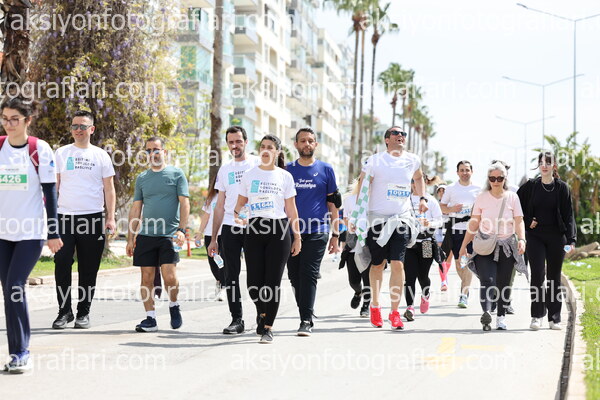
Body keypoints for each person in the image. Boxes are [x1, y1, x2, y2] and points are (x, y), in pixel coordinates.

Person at [0, 97, 63, 373]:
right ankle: (16, 351)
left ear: (27, 120)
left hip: (30, 232)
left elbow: (50, 192)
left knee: (15, 285)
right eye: (5, 118)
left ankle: (21, 352)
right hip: (2, 233)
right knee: (8, 290)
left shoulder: (39, 149)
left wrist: (53, 232)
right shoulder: (0, 147)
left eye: (15, 119)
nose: (9, 123)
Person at [354, 126, 427, 330]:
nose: (400, 136)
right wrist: (358, 214)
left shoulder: (412, 160)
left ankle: (395, 313)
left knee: (398, 264)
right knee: (378, 264)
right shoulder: (374, 161)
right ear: (387, 140)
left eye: (403, 134)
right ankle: (375, 306)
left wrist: (422, 197)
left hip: (401, 219)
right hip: (377, 220)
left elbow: (419, 177)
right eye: (395, 133)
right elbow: (363, 186)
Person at [233, 135, 302, 343]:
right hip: (254, 229)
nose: (265, 150)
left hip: (278, 230)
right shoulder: (249, 175)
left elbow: (291, 209)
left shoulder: (285, 177)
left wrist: (297, 237)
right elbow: (239, 205)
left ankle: (268, 327)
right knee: (253, 283)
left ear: (277, 152)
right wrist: (239, 215)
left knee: (273, 281)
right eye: (262, 146)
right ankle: (262, 312)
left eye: (270, 147)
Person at [51, 110, 116, 330]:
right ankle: (64, 311)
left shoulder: (101, 155)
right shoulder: (61, 153)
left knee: (89, 268)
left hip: (92, 218)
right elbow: (54, 187)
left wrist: (110, 217)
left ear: (92, 129)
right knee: (61, 263)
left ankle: (83, 312)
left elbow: (109, 189)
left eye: (82, 126)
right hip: (64, 217)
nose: (78, 130)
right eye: (74, 126)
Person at [126, 137, 190, 332]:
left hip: (169, 235)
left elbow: (184, 203)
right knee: (146, 278)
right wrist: (130, 237)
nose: (152, 153)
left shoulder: (176, 174)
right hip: (146, 235)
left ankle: (174, 305)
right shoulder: (142, 178)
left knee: (169, 276)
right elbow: (136, 208)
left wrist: (181, 230)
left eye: (156, 149)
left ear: (164, 152)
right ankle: (150, 318)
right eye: (148, 150)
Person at [459, 162, 526, 331]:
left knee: (503, 283)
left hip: (507, 245)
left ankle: (501, 317)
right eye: (492, 178)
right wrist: (464, 245)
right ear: (488, 179)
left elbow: (519, 221)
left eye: (499, 178)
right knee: (487, 280)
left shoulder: (513, 197)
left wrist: (522, 239)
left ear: (505, 179)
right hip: (485, 244)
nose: (496, 181)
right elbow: (474, 223)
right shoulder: (481, 197)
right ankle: (487, 313)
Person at [286, 127, 340, 336]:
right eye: (302, 141)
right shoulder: (287, 170)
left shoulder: (326, 169)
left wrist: (336, 235)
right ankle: (306, 309)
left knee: (308, 273)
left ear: (316, 144)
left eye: (310, 141)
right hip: (291, 231)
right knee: (294, 276)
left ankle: (305, 320)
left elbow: (333, 204)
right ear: (296, 144)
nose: (306, 144)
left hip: (318, 229)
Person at [207, 126, 259, 334]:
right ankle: (237, 319)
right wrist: (213, 238)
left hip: (255, 225)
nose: (234, 145)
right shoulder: (225, 169)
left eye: (238, 141)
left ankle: (262, 314)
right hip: (230, 226)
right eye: (231, 142)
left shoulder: (257, 164)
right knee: (231, 275)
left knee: (256, 274)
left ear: (246, 142)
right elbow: (219, 205)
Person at [517, 152, 576, 331]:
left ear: (554, 166)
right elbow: (516, 207)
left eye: (548, 162)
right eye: (541, 162)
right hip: (535, 236)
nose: (544, 165)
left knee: (553, 278)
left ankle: (554, 318)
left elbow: (569, 215)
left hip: (557, 237)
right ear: (538, 165)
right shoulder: (530, 186)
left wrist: (571, 240)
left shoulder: (562, 188)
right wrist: (528, 221)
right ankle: (536, 316)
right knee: (537, 275)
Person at [440, 161, 481, 308]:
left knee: (467, 261)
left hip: (472, 230)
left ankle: (464, 294)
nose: (465, 173)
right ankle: (465, 287)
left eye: (467, 170)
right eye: (462, 170)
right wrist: (452, 209)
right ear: (457, 172)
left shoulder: (479, 189)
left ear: (472, 172)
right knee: (459, 263)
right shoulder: (451, 188)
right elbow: (442, 207)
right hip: (455, 229)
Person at [403, 178, 443, 321]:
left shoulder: (431, 200)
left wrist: (429, 223)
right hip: (409, 244)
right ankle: (410, 307)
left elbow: (440, 220)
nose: (415, 185)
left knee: (423, 276)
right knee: (409, 277)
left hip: (426, 243)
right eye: (412, 181)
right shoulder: (405, 199)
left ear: (424, 183)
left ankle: (425, 295)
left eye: (418, 181)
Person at [339, 179, 370, 318]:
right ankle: (358, 292)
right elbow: (346, 218)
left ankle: (366, 306)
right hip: (353, 241)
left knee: (368, 277)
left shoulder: (375, 200)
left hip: (369, 242)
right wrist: (351, 225)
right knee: (354, 281)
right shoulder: (349, 200)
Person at [195, 175, 226, 301]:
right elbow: (206, 217)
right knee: (213, 262)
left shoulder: (230, 196)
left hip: (225, 234)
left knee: (224, 261)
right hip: (210, 234)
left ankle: (223, 287)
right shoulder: (211, 198)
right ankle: (219, 281)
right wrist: (199, 233)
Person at [434, 184, 451, 291]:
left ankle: (444, 278)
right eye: (439, 191)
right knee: (441, 257)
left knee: (449, 258)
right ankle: (443, 281)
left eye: (443, 190)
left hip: (449, 232)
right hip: (438, 232)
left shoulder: (451, 204)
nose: (441, 193)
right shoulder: (435, 203)